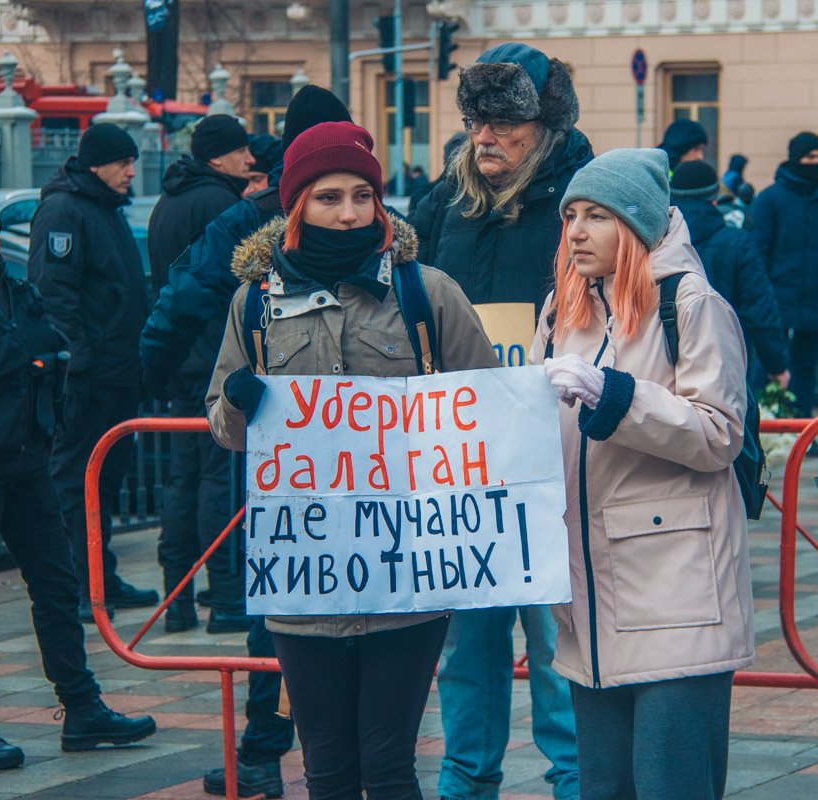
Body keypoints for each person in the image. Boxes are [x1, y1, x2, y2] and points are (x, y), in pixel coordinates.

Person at [205, 121, 498, 800]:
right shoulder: (253, 303)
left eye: (362, 196)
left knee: (390, 764)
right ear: (296, 204)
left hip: (407, 577)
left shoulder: (428, 293)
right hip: (302, 584)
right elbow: (224, 423)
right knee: (327, 767)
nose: (349, 212)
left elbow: (486, 410)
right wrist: (240, 405)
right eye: (329, 196)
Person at [142, 84, 352, 800]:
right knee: (300, 593)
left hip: (330, 452)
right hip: (299, 447)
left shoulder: (258, 218)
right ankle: (295, 744)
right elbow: (188, 295)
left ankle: (279, 745)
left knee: (289, 594)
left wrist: (153, 375)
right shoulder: (256, 226)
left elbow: (178, 298)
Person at [532, 148, 754, 799]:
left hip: (678, 598)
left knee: (671, 785)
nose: (575, 231)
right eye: (570, 215)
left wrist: (617, 397)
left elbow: (719, 433)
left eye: (596, 216)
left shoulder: (691, 305)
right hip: (590, 607)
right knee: (606, 789)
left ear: (635, 225)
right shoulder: (561, 309)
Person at [0, 188, 157, 770]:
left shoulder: (15, 291)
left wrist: (44, 364)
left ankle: (81, 707)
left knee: (57, 584)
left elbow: (47, 346)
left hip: (26, 463)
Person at [408, 41, 588, 800]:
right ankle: (464, 781)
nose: (485, 137)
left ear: (543, 126)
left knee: (559, 646)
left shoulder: (584, 198)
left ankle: (579, 781)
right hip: (460, 462)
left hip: (555, 460)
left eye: (504, 123)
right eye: (477, 120)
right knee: (468, 642)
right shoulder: (441, 202)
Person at [27, 122, 157, 620]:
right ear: (97, 163)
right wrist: (74, 362)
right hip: (87, 376)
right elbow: (54, 294)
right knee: (75, 478)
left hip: (118, 371)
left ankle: (100, 575)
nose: (131, 171)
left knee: (105, 481)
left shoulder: (105, 209)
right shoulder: (64, 209)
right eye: (124, 162)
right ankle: (75, 583)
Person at [147, 113, 257, 635]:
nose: (250, 160)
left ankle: (178, 598)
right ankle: (227, 597)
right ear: (218, 157)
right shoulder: (221, 205)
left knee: (181, 478)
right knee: (221, 478)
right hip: (213, 357)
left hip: (180, 359)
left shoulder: (167, 202)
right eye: (240, 151)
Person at [751, 131, 818, 415]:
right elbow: (758, 253)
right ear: (795, 159)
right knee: (770, 364)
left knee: (806, 366)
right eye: (810, 157)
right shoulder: (770, 200)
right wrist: (758, 297)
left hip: (815, 296)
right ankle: (760, 425)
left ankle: (802, 427)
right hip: (776, 296)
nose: (816, 162)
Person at [670, 159, 789, 388]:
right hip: (726, 361)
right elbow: (759, 309)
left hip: (667, 360)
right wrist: (777, 365)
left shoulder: (656, 240)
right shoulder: (738, 242)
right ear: (714, 199)